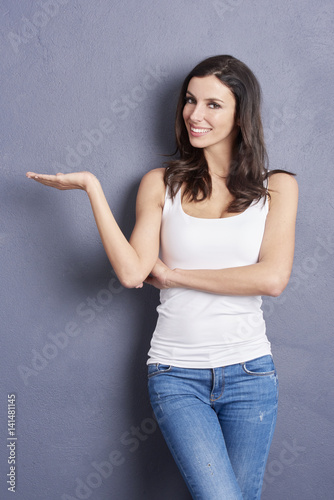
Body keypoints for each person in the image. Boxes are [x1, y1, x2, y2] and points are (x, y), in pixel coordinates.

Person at [26, 55, 298, 499]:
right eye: (191, 101)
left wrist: (176, 276)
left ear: (240, 114)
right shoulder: (160, 183)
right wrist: (92, 188)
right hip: (177, 374)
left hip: (251, 373)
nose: (195, 114)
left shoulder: (278, 187)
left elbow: (271, 278)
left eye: (213, 104)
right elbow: (134, 271)